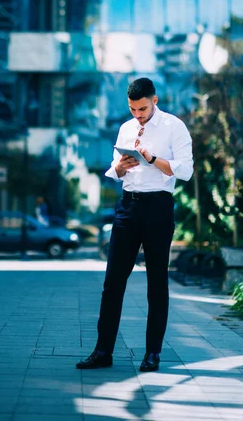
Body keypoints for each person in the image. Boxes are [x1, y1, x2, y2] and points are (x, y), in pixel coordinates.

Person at [76, 78, 193, 372]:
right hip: (128, 206)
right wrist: (120, 167)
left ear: (154, 100)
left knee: (157, 283)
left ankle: (152, 353)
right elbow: (114, 170)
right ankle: (103, 352)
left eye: (142, 108)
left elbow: (186, 171)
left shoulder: (173, 126)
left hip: (158, 207)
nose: (137, 114)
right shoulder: (126, 128)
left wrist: (152, 158)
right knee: (112, 282)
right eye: (132, 109)